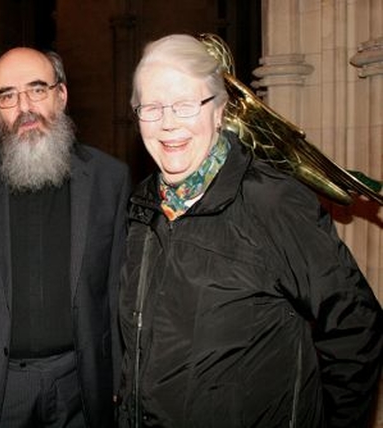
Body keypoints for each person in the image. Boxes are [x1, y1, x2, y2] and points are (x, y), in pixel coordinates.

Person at [117, 34, 383, 427]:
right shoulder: (143, 206)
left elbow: (355, 323)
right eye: (151, 107)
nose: (168, 123)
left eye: (186, 104)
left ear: (220, 110)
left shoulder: (272, 201)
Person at [0, 47, 131, 427]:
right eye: (8, 95)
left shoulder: (110, 177)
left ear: (61, 96)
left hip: (81, 382)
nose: (25, 106)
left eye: (37, 89)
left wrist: (121, 377)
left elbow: (116, 287)